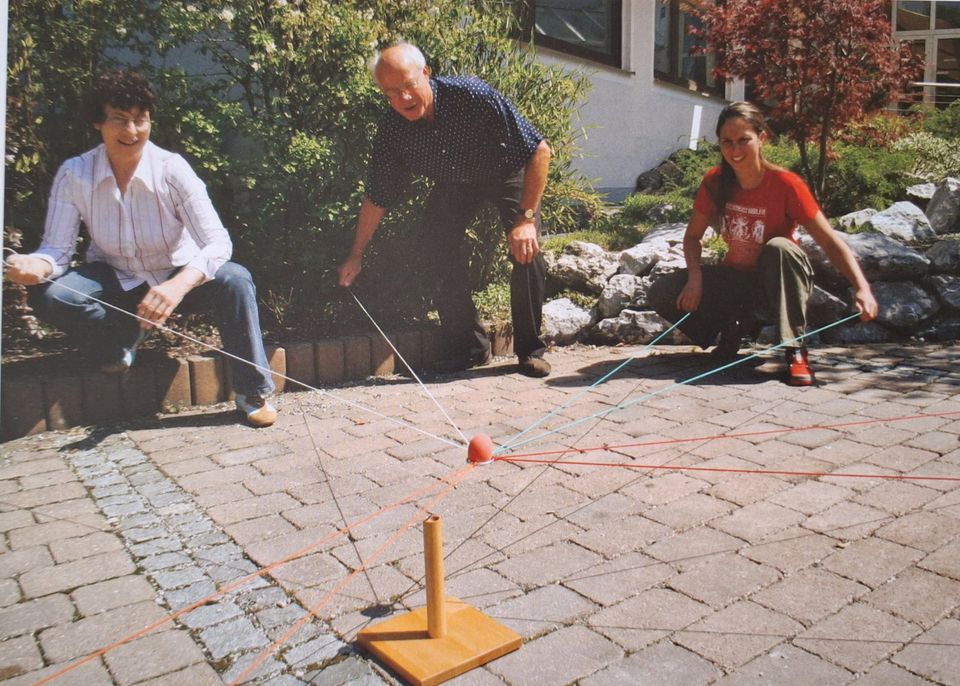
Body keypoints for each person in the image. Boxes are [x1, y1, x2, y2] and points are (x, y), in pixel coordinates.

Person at [3, 69, 278, 427]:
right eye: (120, 120)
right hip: (115, 279)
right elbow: (56, 249)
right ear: (97, 124)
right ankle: (120, 340)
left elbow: (217, 242)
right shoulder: (75, 173)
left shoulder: (172, 170)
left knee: (236, 280)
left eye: (140, 120)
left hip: (178, 276)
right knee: (51, 295)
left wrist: (177, 286)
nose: (132, 132)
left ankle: (253, 390)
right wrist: (36, 266)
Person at [337, 42, 553, 378]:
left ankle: (531, 350)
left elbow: (539, 150)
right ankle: (470, 347)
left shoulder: (470, 94)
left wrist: (525, 220)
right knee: (433, 247)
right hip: (455, 182)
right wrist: (356, 254)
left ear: (425, 73)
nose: (403, 99)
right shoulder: (393, 130)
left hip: (503, 171)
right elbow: (378, 196)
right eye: (391, 92)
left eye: (409, 86)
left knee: (526, 249)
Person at [648, 101, 879, 386]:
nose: (734, 151)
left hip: (777, 284)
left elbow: (830, 242)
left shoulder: (786, 184)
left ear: (761, 138)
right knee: (662, 291)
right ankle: (732, 329)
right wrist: (694, 278)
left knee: (780, 247)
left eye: (744, 140)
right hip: (737, 281)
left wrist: (862, 288)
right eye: (726, 142)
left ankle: (795, 351)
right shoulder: (716, 181)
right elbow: (692, 237)